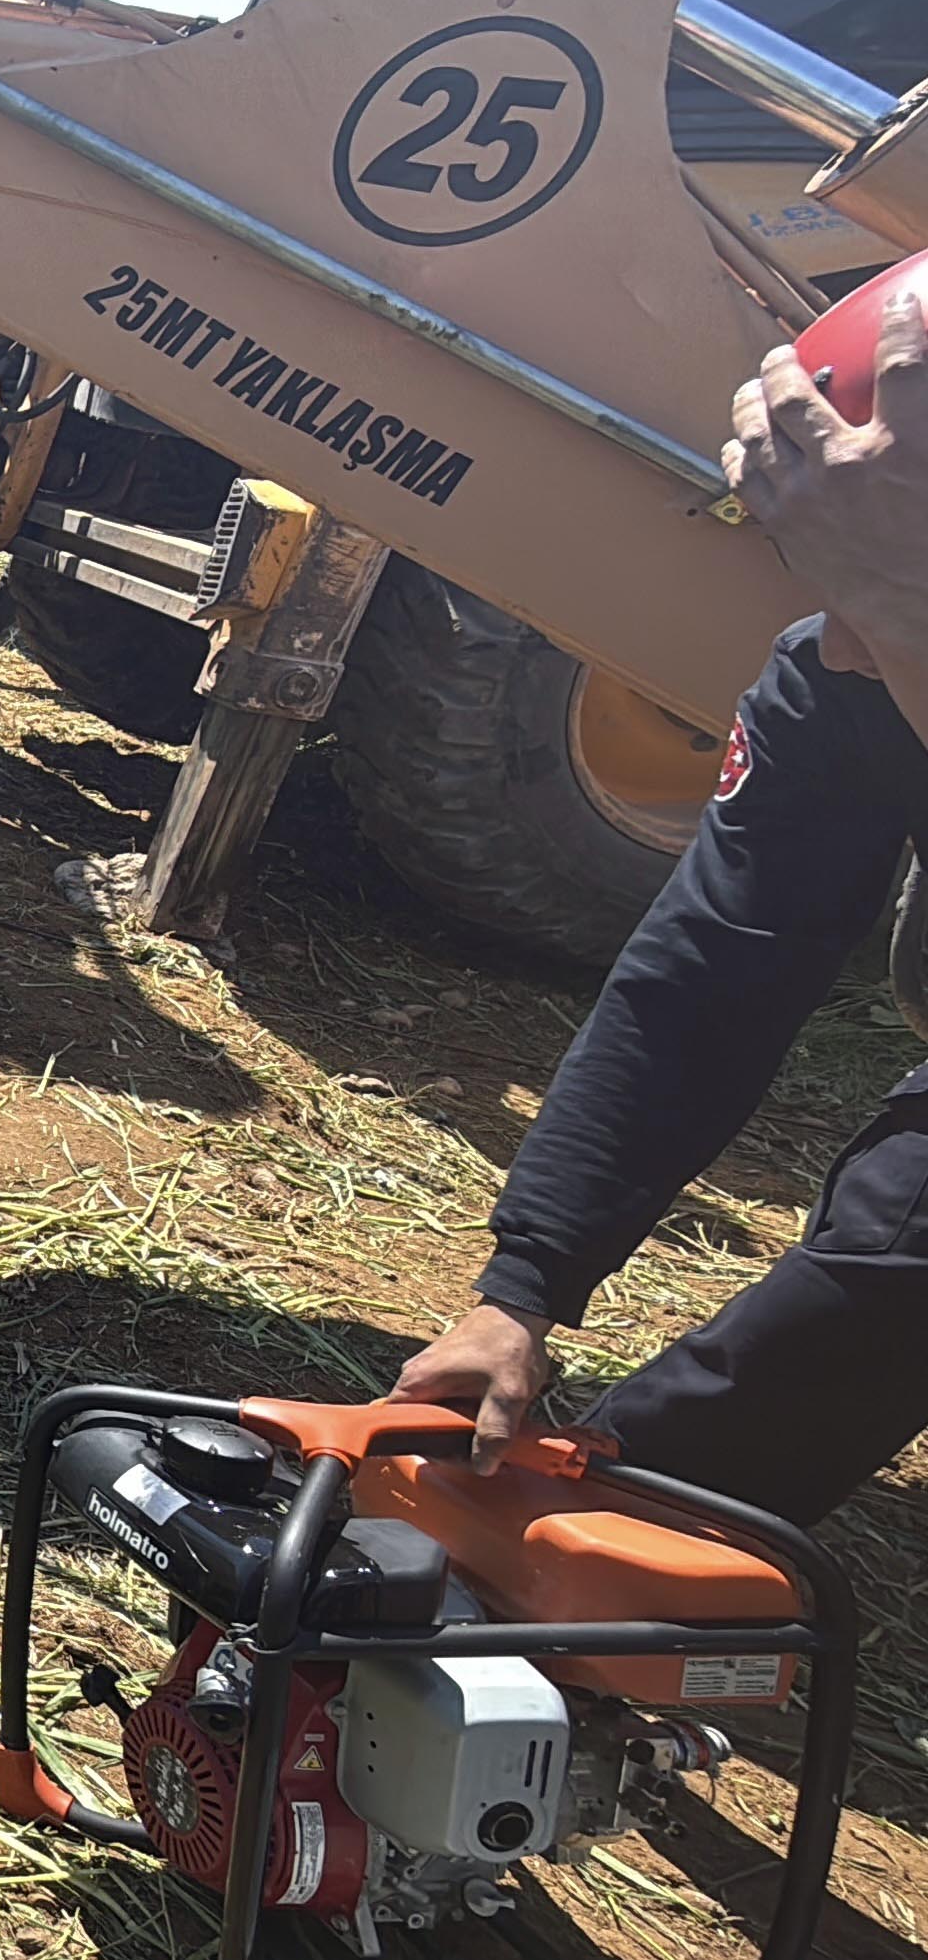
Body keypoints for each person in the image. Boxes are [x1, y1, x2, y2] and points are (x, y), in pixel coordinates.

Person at [390, 292, 928, 1526]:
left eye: (890, 584)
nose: (840, 638)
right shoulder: (840, 670)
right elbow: (709, 977)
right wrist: (520, 1286)